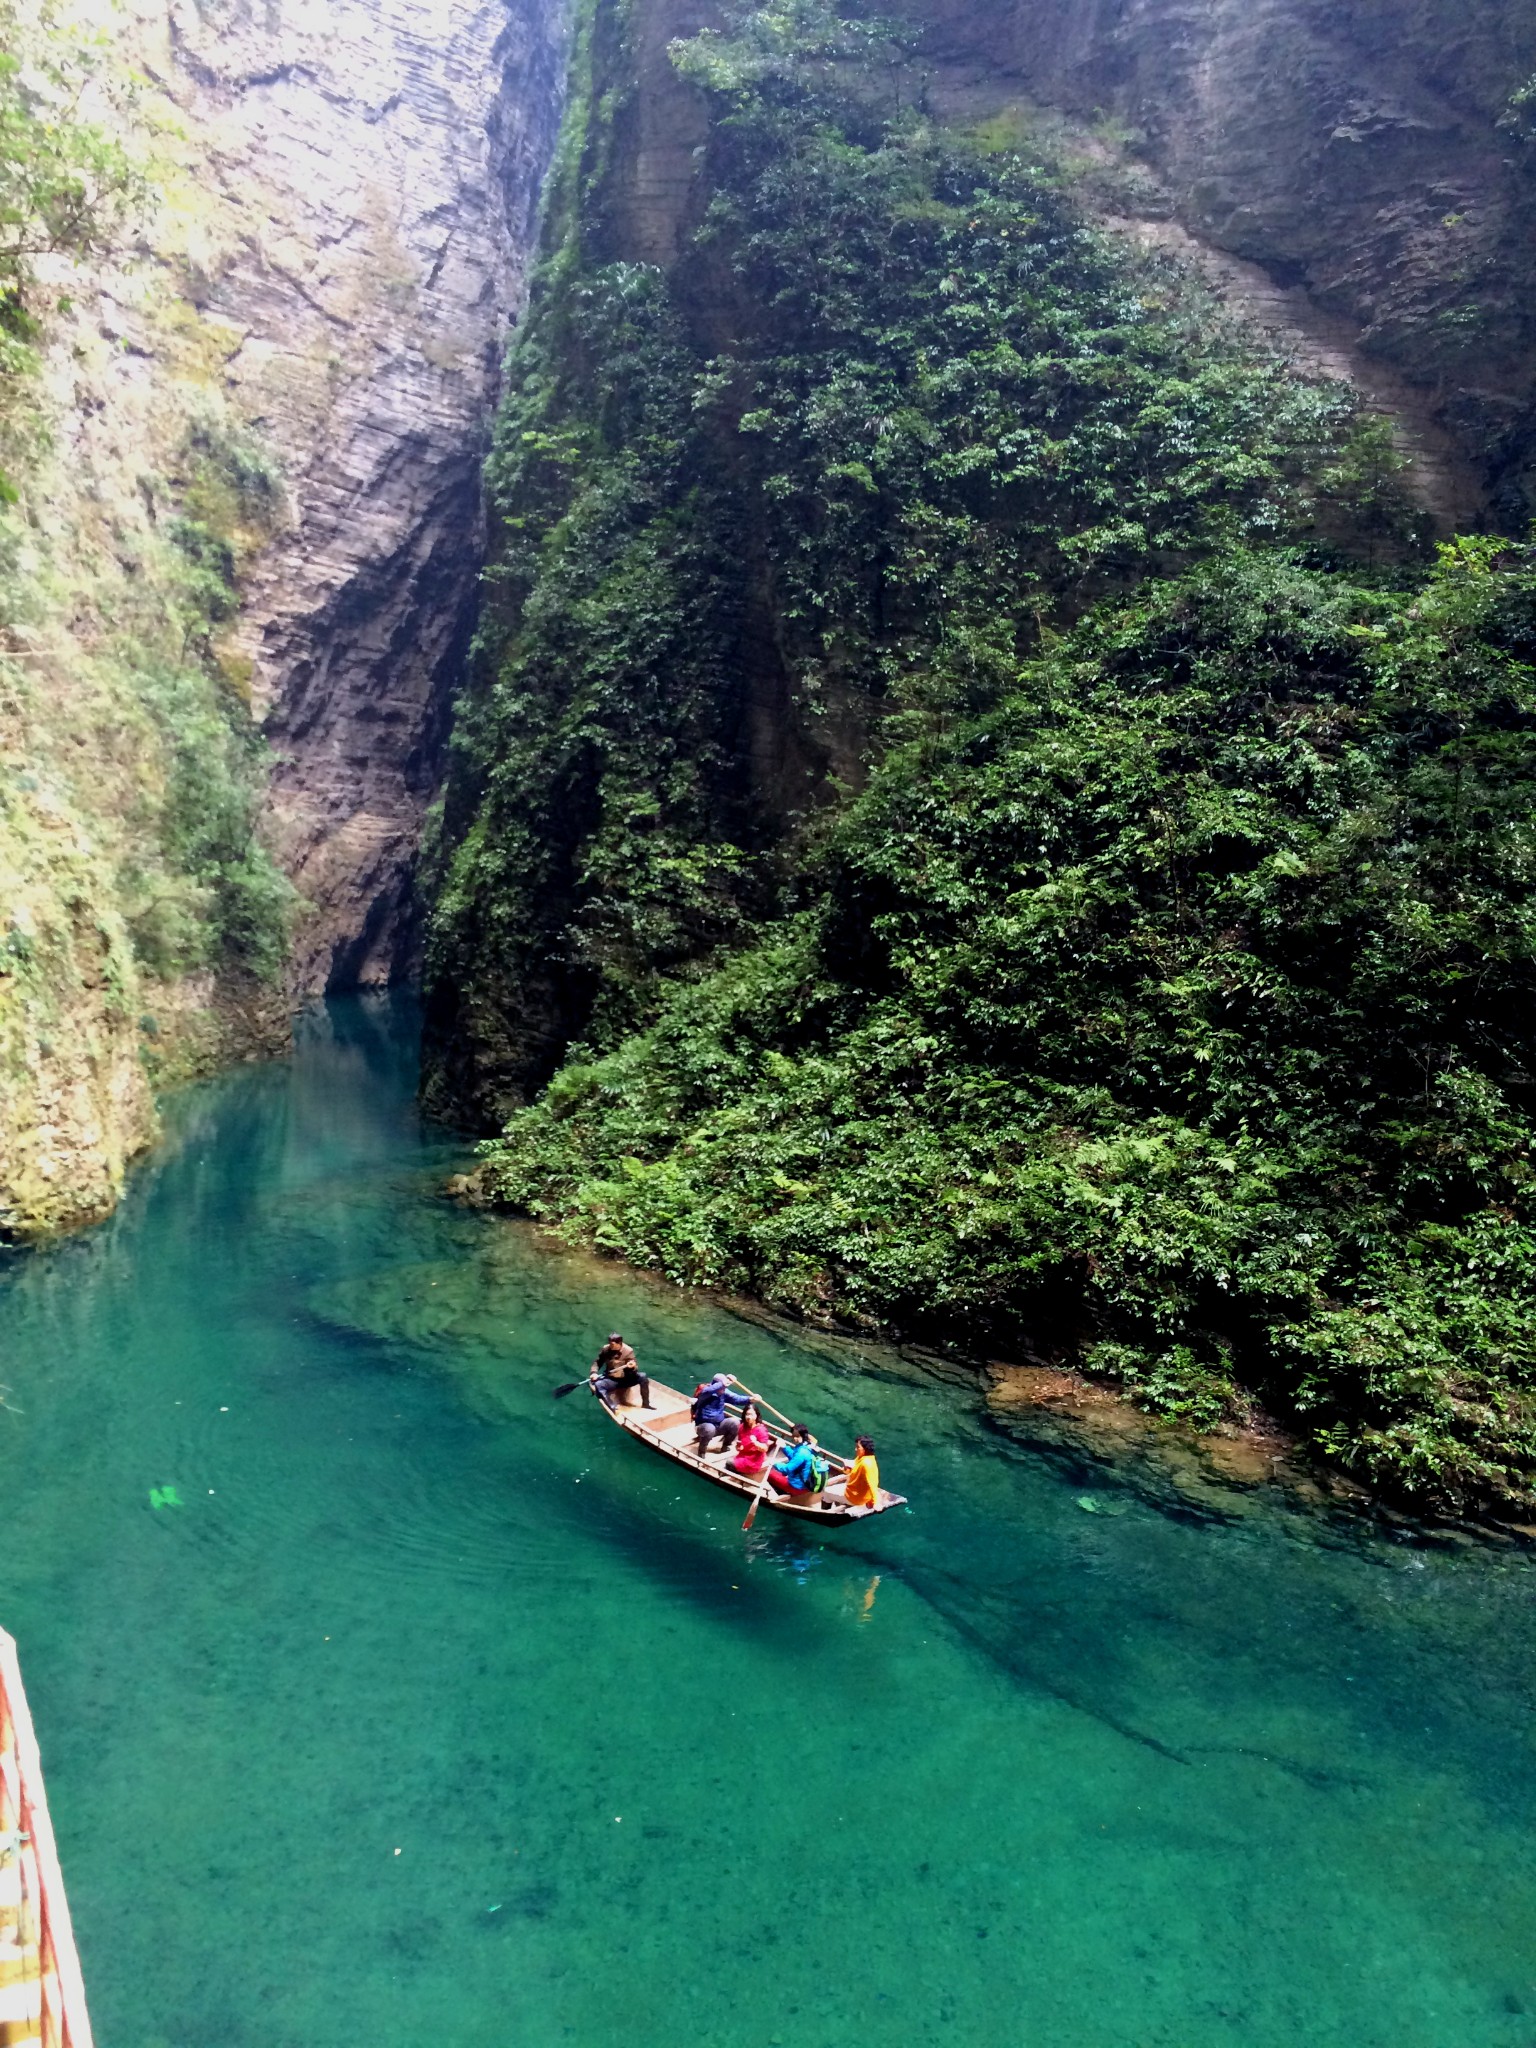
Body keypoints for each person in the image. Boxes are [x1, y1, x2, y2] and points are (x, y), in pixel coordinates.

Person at [592, 1332, 652, 1410]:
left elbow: (634, 1367)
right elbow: (597, 1362)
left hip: (626, 1379)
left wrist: (632, 1367)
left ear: (619, 1343)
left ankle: (646, 1404)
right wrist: (594, 1372)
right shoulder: (606, 1349)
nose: (610, 1346)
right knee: (598, 1384)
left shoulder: (628, 1351)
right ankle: (612, 1405)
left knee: (643, 1376)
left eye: (612, 1344)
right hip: (612, 1379)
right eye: (610, 1343)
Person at [768, 1424, 825, 1500]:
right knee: (781, 1471)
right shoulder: (808, 1447)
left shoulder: (801, 1452)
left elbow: (787, 1469)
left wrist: (774, 1463)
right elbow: (796, 1458)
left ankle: (783, 1491)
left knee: (770, 1473)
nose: (795, 1438)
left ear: (803, 1436)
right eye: (793, 1436)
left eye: (797, 1436)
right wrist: (785, 1447)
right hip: (805, 1483)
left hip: (797, 1487)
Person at [692, 1373, 741, 1457]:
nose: (724, 1389)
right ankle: (701, 1452)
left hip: (718, 1424)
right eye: (722, 1387)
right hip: (703, 1427)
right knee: (709, 1429)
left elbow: (737, 1398)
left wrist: (750, 1399)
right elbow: (708, 1391)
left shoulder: (723, 1393)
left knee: (735, 1422)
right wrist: (722, 1384)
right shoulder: (706, 1392)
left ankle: (725, 1446)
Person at [728, 1403, 774, 1479]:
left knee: (729, 1463)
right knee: (730, 1462)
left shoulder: (761, 1430)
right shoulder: (742, 1427)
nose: (749, 1417)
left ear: (756, 1415)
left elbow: (765, 1448)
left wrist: (755, 1443)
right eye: (747, 1414)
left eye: (751, 1415)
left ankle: (742, 1474)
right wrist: (739, 1447)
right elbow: (740, 1446)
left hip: (753, 1460)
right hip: (743, 1455)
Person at [841, 1436, 880, 1511]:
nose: (855, 1449)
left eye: (858, 1447)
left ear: (865, 1449)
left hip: (855, 1496)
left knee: (826, 1493)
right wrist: (847, 1467)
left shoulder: (866, 1464)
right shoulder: (864, 1457)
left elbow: (872, 1484)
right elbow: (851, 1470)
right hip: (857, 1491)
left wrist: (876, 1503)